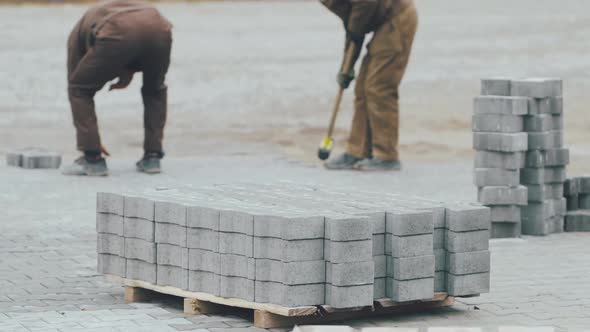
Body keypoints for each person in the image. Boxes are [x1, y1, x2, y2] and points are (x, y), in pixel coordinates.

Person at [63, 0, 172, 176]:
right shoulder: (101, 14)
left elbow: (76, 82)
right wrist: (124, 73)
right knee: (155, 90)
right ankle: (152, 157)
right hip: (159, 26)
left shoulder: (76, 37)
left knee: (79, 89)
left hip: (118, 28)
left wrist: (89, 139)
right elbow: (132, 48)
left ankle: (92, 159)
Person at [321, 0, 418, 171]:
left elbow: (364, 6)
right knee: (363, 88)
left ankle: (386, 155)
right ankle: (357, 151)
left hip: (396, 19)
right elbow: (353, 25)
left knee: (379, 87)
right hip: (381, 22)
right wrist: (347, 66)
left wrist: (355, 32)